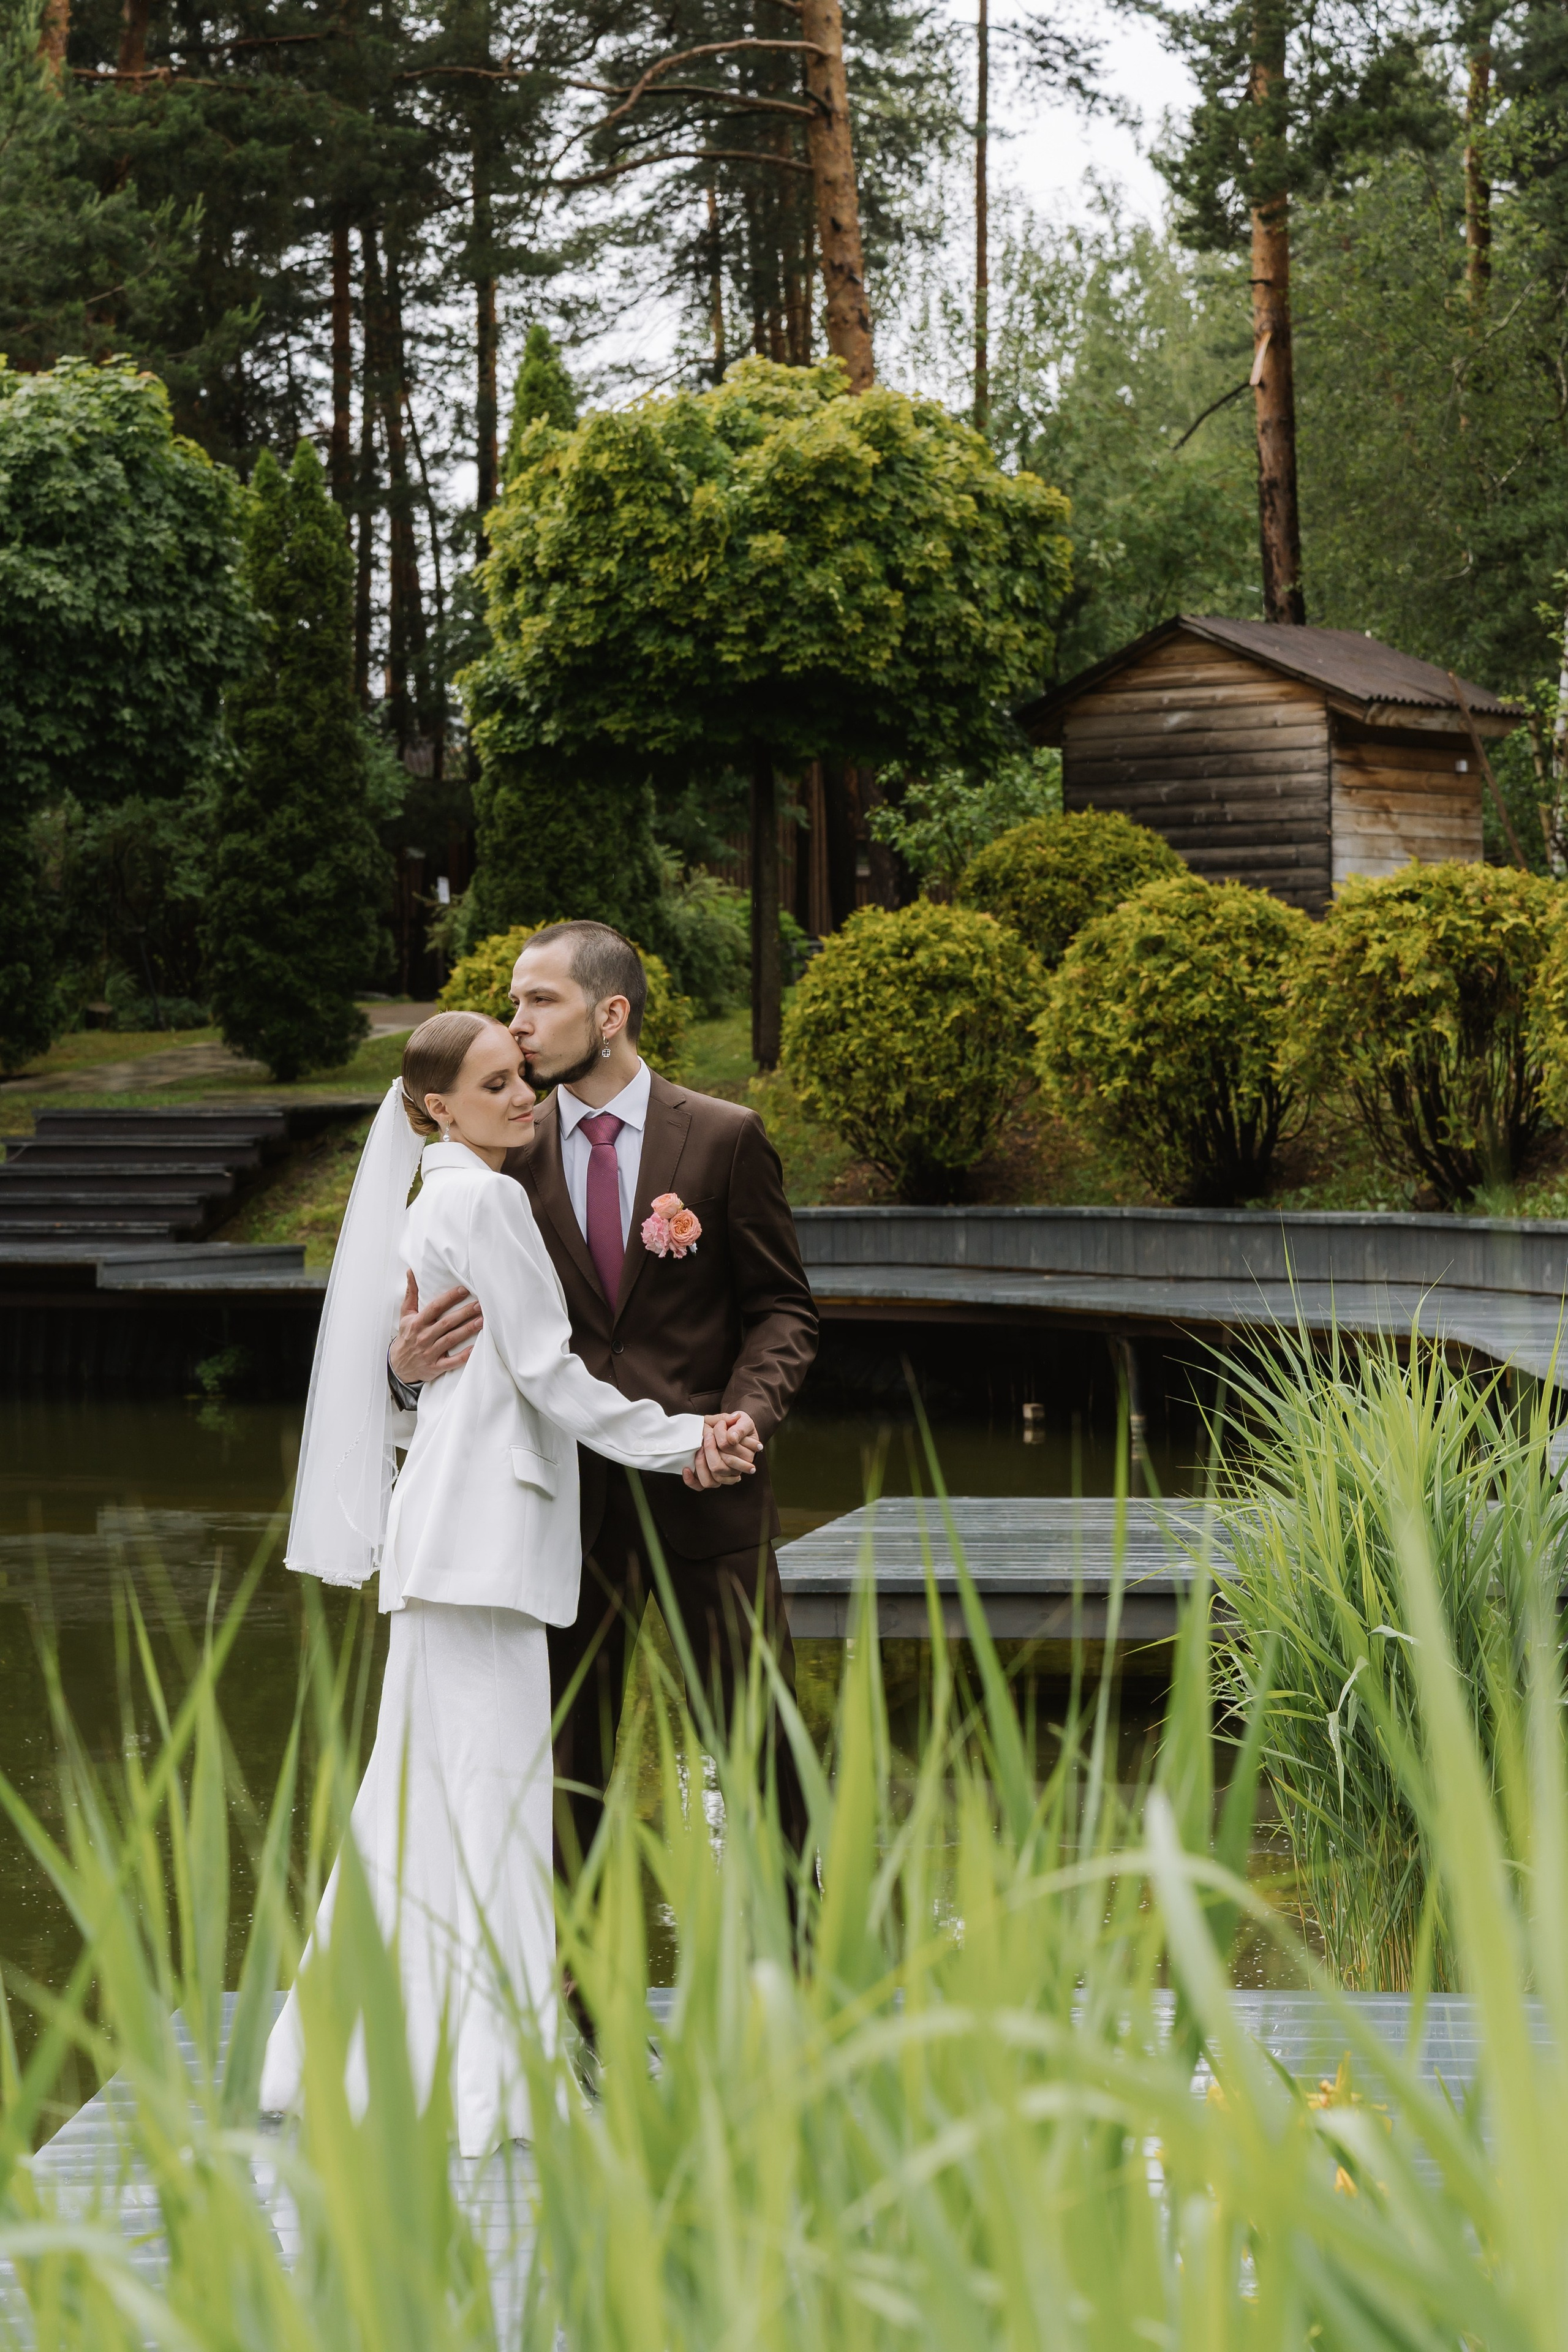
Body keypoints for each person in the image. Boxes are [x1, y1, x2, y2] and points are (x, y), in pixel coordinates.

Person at [261, 1010, 758, 2155]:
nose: (522, 1096)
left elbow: (476, 1367)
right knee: (490, 1802)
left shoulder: (437, 1194)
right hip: (487, 1537)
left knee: (422, 1798)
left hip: (452, 1536)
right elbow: (549, 1373)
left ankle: (365, 2047)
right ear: (438, 1106)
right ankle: (482, 2072)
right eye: (495, 1084)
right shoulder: (481, 1199)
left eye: (520, 1076)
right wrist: (685, 1441)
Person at [391, 922, 818, 1879]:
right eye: (514, 1002)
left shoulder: (723, 1137)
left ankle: (796, 1977)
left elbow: (783, 1310)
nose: (519, 1025)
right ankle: (569, 2005)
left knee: (763, 1748)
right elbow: (429, 1322)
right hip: (557, 1508)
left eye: (539, 1002)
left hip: (711, 1493)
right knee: (562, 1770)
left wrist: (747, 1415)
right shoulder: (499, 1155)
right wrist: (404, 1371)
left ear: (610, 1014)